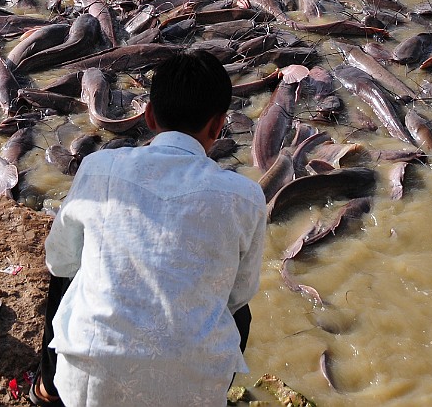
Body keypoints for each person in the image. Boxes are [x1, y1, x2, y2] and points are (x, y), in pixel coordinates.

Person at [30, 51, 266, 407]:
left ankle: (49, 387)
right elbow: (238, 294)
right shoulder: (247, 196)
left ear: (150, 116)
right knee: (239, 307)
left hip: (86, 390)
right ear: (219, 126)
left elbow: (59, 260)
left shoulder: (98, 166)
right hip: (194, 395)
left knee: (68, 271)